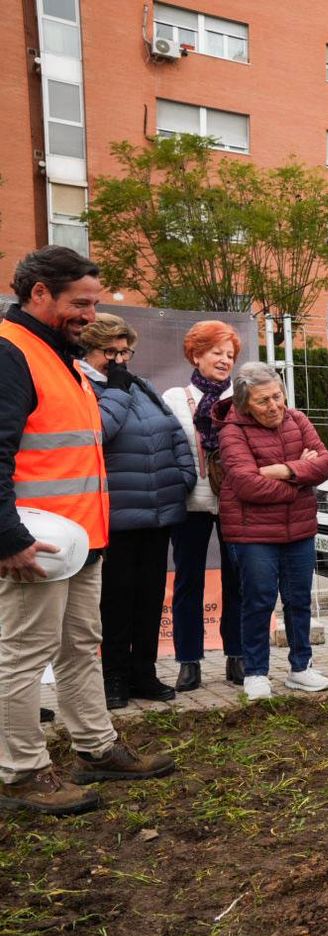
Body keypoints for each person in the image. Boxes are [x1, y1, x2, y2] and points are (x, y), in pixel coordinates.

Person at [0, 246, 174, 816]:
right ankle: (21, 772)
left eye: (94, 303)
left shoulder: (62, 357)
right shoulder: (12, 353)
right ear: (39, 293)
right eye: (80, 303)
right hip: (36, 544)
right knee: (24, 655)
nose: (89, 315)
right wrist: (9, 538)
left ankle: (97, 748)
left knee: (80, 646)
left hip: (80, 539)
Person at [79, 314, 195, 708]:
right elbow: (100, 431)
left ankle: (144, 672)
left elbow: (174, 432)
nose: (118, 360)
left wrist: (183, 477)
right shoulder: (83, 386)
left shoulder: (141, 385)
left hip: (158, 511)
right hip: (116, 515)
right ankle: (113, 677)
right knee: (116, 600)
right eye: (109, 352)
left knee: (149, 597)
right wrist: (115, 388)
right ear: (88, 351)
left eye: (124, 352)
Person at [215, 363, 328, 700]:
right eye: (263, 400)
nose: (274, 406)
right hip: (252, 533)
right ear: (244, 404)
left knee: (299, 600)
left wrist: (282, 470)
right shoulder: (232, 431)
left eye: (277, 396)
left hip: (299, 530)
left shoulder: (297, 419)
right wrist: (300, 478)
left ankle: (301, 668)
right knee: (259, 600)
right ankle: (255, 673)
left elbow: (325, 463)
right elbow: (246, 484)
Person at [164, 320, 245, 692]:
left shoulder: (243, 397)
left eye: (230, 354)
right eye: (216, 352)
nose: (225, 360)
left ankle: (237, 656)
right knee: (188, 582)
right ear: (196, 355)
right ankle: (188, 662)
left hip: (235, 501)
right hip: (189, 503)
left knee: (237, 580)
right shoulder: (174, 398)